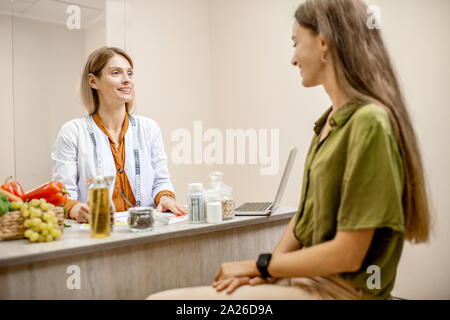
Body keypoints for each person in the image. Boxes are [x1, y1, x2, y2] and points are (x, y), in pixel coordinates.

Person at [147, 0, 431, 300]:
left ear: (323, 41)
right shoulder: (328, 123)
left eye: (296, 43)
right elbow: (302, 222)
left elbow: (349, 254)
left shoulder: (369, 123)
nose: (293, 59)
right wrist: (264, 272)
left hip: (343, 292)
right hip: (308, 281)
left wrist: (261, 266)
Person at [52, 46, 186, 222]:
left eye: (129, 74)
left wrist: (165, 198)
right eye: (116, 73)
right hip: (98, 232)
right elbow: (62, 194)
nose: (127, 80)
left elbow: (161, 181)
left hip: (145, 229)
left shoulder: (149, 128)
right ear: (93, 81)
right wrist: (77, 210)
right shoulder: (72, 132)